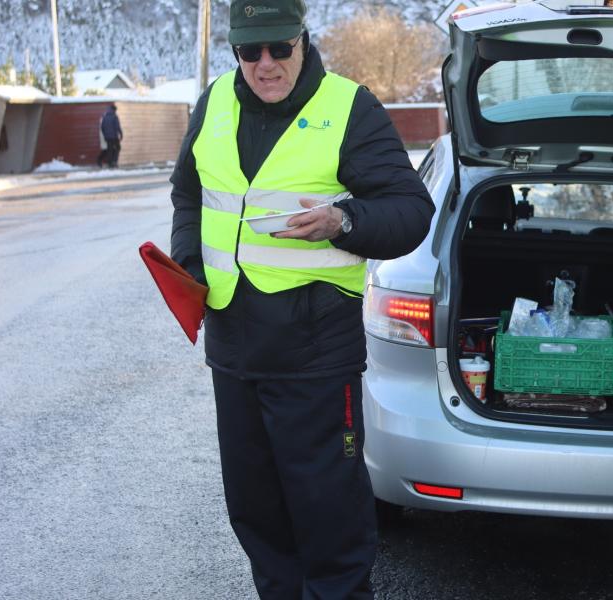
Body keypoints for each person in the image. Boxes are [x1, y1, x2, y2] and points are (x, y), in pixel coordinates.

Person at [168, 0, 434, 597]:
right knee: (257, 515)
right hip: (234, 353)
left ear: (302, 40)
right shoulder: (213, 102)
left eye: (279, 49)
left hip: (315, 358)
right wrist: (187, 265)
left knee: (328, 519)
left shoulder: (348, 108)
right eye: (248, 52)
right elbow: (189, 193)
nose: (265, 64)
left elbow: (412, 211)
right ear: (234, 50)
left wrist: (344, 219)